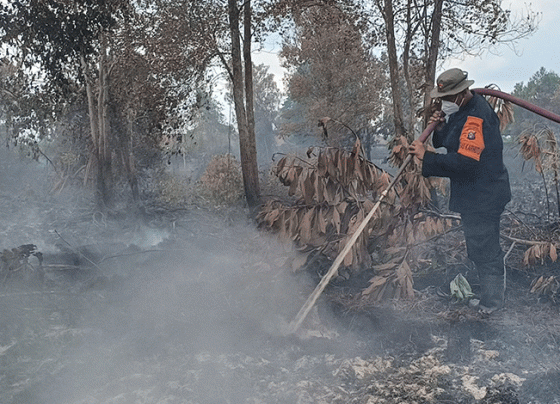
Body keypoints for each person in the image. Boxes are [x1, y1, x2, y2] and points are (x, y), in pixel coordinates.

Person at [408, 68, 511, 312]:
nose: (443, 103)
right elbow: (448, 142)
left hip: (485, 194)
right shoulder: (463, 110)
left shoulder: (476, 116)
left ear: (461, 94)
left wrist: (427, 158)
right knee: (478, 246)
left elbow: (465, 162)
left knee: (485, 249)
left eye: (447, 98)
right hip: (475, 193)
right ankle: (489, 297)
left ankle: (493, 303)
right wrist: (441, 127)